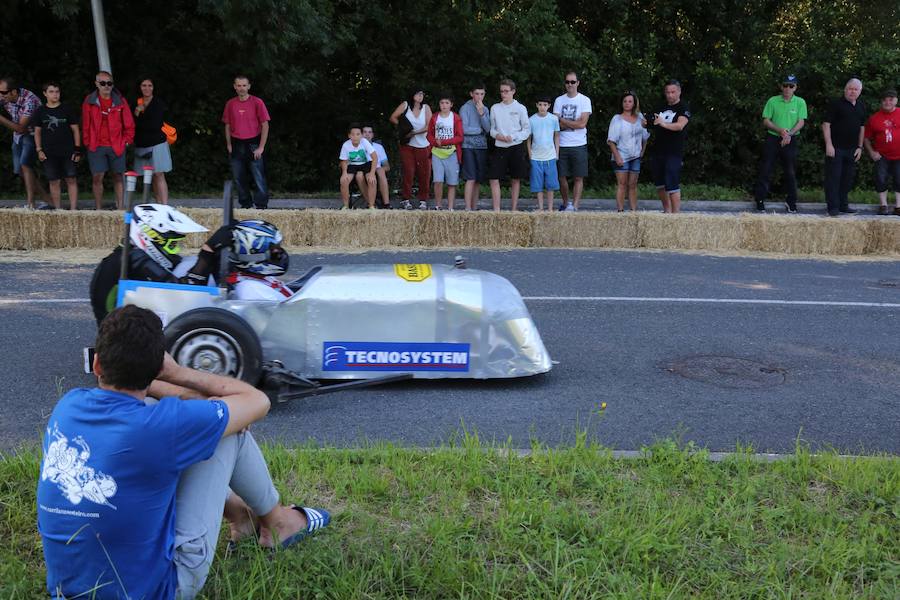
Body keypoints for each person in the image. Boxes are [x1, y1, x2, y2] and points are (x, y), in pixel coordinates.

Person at [38, 304, 330, 599]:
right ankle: (278, 523)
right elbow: (256, 402)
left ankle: (242, 518)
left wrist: (190, 398)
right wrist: (177, 373)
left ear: (97, 364)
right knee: (224, 435)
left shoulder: (68, 405)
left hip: (68, 591)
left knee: (194, 425)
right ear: (158, 370)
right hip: (162, 589)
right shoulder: (159, 426)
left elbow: (150, 401)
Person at [89, 204, 208, 324]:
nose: (177, 251)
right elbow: (181, 290)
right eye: (172, 245)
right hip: (122, 332)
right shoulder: (135, 258)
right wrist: (207, 256)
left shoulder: (126, 253)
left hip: (123, 324)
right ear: (148, 236)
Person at [183, 219, 293, 301]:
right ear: (253, 253)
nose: (279, 253)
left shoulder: (253, 278)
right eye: (274, 249)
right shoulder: (251, 288)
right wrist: (208, 251)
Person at [753, 74, 807, 213]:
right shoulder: (772, 101)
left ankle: (791, 202)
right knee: (766, 169)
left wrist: (789, 134)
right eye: (785, 85)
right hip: (773, 138)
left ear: (795, 87)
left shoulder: (800, 102)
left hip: (791, 139)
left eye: (791, 86)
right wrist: (780, 131)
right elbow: (766, 120)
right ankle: (760, 200)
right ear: (781, 86)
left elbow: (801, 121)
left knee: (790, 171)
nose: (787, 88)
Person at [82, 71, 134, 210]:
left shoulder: (120, 101)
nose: (106, 86)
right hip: (96, 145)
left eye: (109, 83)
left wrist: (126, 141)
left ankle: (120, 208)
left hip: (116, 145)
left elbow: (129, 123)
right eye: (103, 83)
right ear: (96, 84)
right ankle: (99, 209)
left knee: (118, 177)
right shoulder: (89, 100)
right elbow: (86, 124)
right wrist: (87, 142)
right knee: (97, 177)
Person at [0, 76, 49, 208]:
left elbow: (21, 128)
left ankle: (31, 204)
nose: (1, 96)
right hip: (18, 135)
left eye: (3, 93)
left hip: (33, 134)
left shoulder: (29, 101)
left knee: (25, 165)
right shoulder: (4, 95)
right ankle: (47, 199)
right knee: (20, 170)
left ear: (14, 92)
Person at [222, 75, 271, 209]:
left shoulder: (257, 102)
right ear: (234, 87)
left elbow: (265, 125)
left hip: (253, 143)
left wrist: (261, 147)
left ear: (249, 86)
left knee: (258, 177)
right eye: (239, 85)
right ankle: (246, 206)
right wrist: (229, 144)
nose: (241, 88)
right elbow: (227, 125)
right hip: (237, 143)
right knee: (239, 178)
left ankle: (261, 206)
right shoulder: (230, 104)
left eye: (244, 85)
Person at [32, 82, 82, 210]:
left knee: (71, 179)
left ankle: (73, 209)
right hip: (49, 151)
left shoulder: (66, 109)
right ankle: (58, 209)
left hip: (68, 150)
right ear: (45, 94)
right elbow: (37, 132)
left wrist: (77, 149)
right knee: (54, 181)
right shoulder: (40, 111)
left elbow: (76, 130)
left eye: (57, 91)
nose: (55, 94)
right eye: (51, 91)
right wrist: (39, 150)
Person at [822, 78, 866, 217]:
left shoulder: (861, 106)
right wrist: (829, 144)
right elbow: (826, 125)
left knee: (847, 179)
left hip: (852, 149)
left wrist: (860, 147)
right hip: (836, 149)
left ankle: (843, 205)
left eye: (855, 89)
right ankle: (833, 207)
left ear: (860, 91)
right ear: (845, 89)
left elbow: (862, 127)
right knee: (833, 179)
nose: (852, 91)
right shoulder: (835, 104)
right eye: (850, 88)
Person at [489, 79, 531, 212]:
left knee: (515, 178)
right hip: (500, 146)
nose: (503, 94)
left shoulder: (520, 108)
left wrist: (513, 137)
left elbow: (526, 130)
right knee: (494, 178)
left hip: (516, 146)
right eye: (501, 91)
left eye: (506, 91)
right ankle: (497, 210)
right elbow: (492, 129)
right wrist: (498, 136)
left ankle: (513, 210)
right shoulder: (495, 108)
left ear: (513, 91)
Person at [649, 79, 691, 213]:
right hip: (658, 150)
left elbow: (680, 125)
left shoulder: (683, 107)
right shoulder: (660, 107)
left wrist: (663, 124)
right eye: (668, 92)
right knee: (660, 183)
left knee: (672, 181)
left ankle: (676, 214)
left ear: (679, 92)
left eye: (673, 92)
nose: (670, 95)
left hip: (674, 151)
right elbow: (652, 122)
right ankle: (666, 211)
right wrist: (647, 122)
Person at [553, 71, 592, 211]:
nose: (570, 84)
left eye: (572, 82)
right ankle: (566, 203)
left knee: (578, 177)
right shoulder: (559, 100)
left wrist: (562, 120)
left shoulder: (585, 100)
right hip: (561, 144)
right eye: (567, 82)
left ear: (578, 83)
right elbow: (555, 125)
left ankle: (575, 206)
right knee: (561, 176)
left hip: (579, 144)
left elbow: (582, 124)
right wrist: (573, 122)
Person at [607, 91, 649, 212]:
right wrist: (617, 156)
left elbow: (645, 136)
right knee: (622, 184)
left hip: (635, 156)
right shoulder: (617, 119)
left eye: (630, 101)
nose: (627, 103)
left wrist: (642, 151)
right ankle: (620, 210)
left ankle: (633, 210)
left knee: (633, 185)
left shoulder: (640, 117)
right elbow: (611, 141)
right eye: (625, 101)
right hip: (621, 155)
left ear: (634, 103)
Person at [390, 90, 432, 210]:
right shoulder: (405, 105)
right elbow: (393, 117)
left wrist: (413, 133)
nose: (420, 96)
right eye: (418, 94)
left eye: (422, 94)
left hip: (423, 144)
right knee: (408, 171)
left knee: (424, 173)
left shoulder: (426, 108)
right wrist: (403, 129)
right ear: (412, 95)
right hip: (407, 145)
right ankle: (405, 198)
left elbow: (429, 126)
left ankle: (423, 199)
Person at [133, 78, 173, 204]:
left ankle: (164, 205)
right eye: (144, 85)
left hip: (157, 143)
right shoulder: (136, 103)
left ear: (153, 88)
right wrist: (137, 113)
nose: (147, 88)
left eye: (150, 85)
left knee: (159, 174)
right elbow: (132, 124)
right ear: (140, 87)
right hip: (142, 144)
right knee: (150, 177)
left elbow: (155, 125)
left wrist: (139, 115)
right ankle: (158, 205)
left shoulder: (158, 103)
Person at [863, 89, 899, 216]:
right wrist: (872, 152)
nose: (887, 102)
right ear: (881, 102)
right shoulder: (874, 118)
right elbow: (866, 137)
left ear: (896, 100)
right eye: (885, 100)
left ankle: (898, 206)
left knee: (899, 179)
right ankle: (883, 205)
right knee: (880, 178)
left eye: (890, 99)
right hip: (881, 155)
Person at [427, 93, 464, 210]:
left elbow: (460, 137)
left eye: (447, 103)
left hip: (451, 153)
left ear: (451, 105)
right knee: (438, 181)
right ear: (439, 104)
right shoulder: (434, 117)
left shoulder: (455, 118)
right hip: (437, 153)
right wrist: (434, 142)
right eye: (442, 103)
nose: (444, 105)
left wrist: (444, 142)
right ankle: (438, 206)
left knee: (452, 182)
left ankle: (450, 208)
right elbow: (429, 135)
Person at [459, 84, 491, 211]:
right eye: (477, 93)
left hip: (482, 147)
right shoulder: (465, 108)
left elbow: (488, 129)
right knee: (470, 178)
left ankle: (474, 206)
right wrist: (479, 130)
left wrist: (482, 114)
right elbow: (464, 129)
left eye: (482, 94)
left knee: (478, 179)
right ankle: (467, 208)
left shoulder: (485, 109)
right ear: (471, 94)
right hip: (468, 146)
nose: (479, 96)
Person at [527, 95, 560, 211]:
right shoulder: (531, 120)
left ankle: (550, 209)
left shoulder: (553, 119)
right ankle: (541, 208)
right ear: (536, 105)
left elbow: (556, 136)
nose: (542, 107)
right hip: (536, 157)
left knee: (551, 185)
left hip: (550, 156)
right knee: (538, 186)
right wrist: (530, 155)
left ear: (549, 106)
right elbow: (528, 139)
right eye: (540, 104)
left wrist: (557, 153)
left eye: (545, 105)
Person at [338, 123, 377, 209]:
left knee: (371, 180)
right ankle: (346, 206)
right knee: (344, 181)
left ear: (362, 135)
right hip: (352, 165)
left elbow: (375, 157)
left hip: (365, 164)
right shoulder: (346, 145)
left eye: (358, 134)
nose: (355, 136)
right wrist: (344, 173)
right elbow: (344, 161)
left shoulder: (365, 142)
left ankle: (371, 206)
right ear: (349, 136)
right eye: (353, 134)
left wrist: (372, 173)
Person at [362, 125, 392, 208]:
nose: (367, 134)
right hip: (363, 169)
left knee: (381, 171)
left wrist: (380, 169)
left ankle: (386, 204)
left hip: (377, 169)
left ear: (372, 135)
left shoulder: (379, 147)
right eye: (365, 132)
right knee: (360, 175)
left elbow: (387, 166)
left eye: (369, 132)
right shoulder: (358, 146)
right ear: (361, 134)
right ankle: (371, 203)